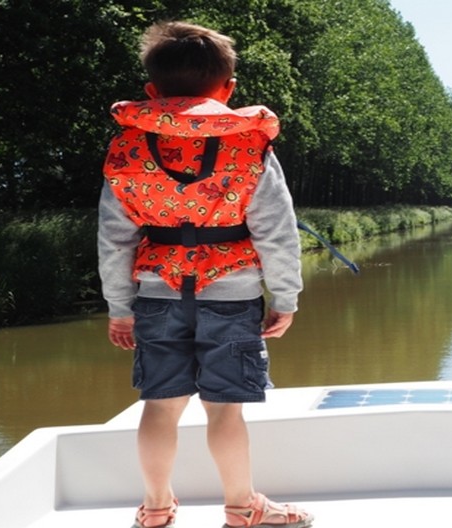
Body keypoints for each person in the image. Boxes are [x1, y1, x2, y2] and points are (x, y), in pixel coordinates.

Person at [97, 21, 313, 528]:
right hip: (232, 295)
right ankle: (243, 510)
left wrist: (120, 307)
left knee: (160, 406)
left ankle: (155, 511)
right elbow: (276, 232)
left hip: (157, 296)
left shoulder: (126, 152)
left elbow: (114, 239)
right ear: (228, 89)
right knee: (225, 411)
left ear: (152, 91)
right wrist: (285, 297)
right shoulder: (250, 146)